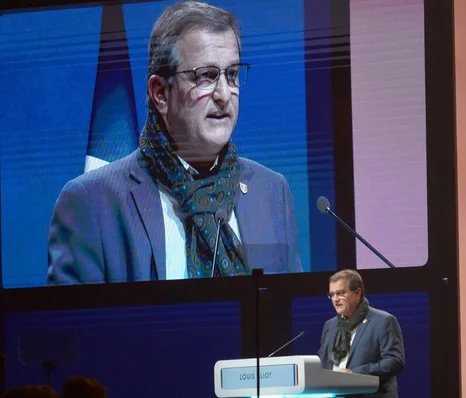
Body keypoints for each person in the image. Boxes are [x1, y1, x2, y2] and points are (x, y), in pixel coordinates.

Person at [47, 1, 302, 284]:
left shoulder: (270, 192)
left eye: (231, 75)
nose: (224, 95)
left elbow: (289, 316)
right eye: (205, 76)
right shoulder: (92, 203)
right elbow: (75, 327)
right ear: (160, 93)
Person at [318, 270, 405, 398]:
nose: (335, 300)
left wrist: (354, 373)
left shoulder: (383, 321)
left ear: (357, 293)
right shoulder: (330, 325)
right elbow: (323, 362)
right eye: (332, 294)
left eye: (340, 293)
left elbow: (394, 362)